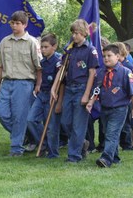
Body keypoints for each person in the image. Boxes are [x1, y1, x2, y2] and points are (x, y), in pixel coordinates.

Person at [51, 19, 99, 163]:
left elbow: (92, 74)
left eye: (77, 33)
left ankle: (74, 156)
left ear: (84, 33)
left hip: (82, 88)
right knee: (66, 122)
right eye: (72, 33)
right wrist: (54, 88)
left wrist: (86, 94)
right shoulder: (69, 49)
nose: (74, 36)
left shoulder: (90, 50)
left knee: (79, 124)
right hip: (69, 88)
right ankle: (82, 143)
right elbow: (62, 69)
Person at [0, 11, 42, 157]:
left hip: (24, 83)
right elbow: (0, 66)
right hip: (7, 82)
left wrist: (38, 85)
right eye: (12, 23)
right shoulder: (4, 41)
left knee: (19, 117)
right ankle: (26, 135)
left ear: (25, 25)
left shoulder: (32, 42)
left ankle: (16, 149)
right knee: (1, 114)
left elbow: (39, 67)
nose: (14, 26)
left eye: (18, 23)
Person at [86, 44, 133, 168]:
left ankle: (106, 158)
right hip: (104, 108)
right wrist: (91, 102)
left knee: (111, 134)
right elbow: (97, 89)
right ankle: (115, 157)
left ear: (118, 56)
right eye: (104, 56)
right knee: (106, 131)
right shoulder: (101, 72)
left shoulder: (126, 72)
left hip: (119, 108)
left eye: (109, 56)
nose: (106, 58)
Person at [27, 33, 62, 158]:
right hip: (42, 94)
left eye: (46, 47)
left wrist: (58, 98)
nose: (43, 50)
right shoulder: (43, 62)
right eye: (42, 47)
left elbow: (61, 81)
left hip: (52, 96)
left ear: (54, 47)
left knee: (51, 126)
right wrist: (38, 85)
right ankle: (43, 143)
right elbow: (40, 75)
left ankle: (53, 153)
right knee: (31, 120)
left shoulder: (59, 62)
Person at [114, 42, 133, 151]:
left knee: (126, 123)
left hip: (127, 99)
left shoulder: (129, 65)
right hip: (115, 99)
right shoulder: (113, 65)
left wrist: (131, 95)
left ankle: (126, 144)